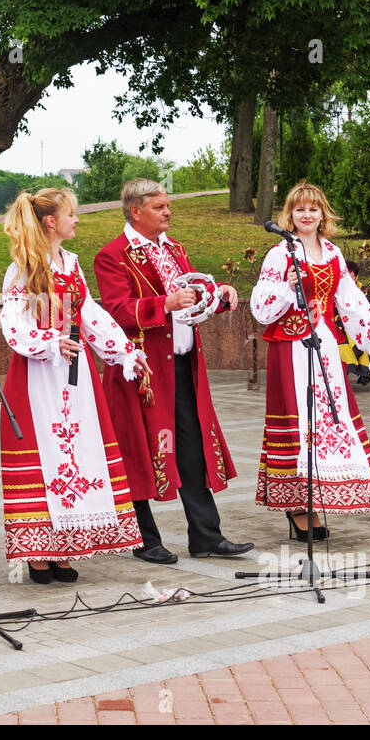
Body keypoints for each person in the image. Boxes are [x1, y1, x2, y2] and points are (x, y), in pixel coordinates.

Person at [93, 178, 253, 564]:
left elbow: (195, 297)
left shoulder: (174, 249)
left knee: (192, 449)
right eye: (160, 207)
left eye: (168, 206)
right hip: (140, 372)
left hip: (183, 366)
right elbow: (115, 311)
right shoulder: (113, 255)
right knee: (138, 451)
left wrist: (222, 295)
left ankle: (206, 537)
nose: (168, 212)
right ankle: (143, 538)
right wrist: (163, 303)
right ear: (136, 211)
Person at [0, 187, 148, 583]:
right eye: (71, 214)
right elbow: (13, 323)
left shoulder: (72, 263)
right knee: (46, 454)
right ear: (51, 222)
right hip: (38, 375)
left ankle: (65, 547)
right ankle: (37, 551)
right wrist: (48, 341)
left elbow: (89, 313)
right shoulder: (22, 268)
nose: (77, 219)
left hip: (75, 377)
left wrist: (124, 350)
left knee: (75, 456)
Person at [249, 182, 370, 540]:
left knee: (327, 421)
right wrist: (286, 287)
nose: (307, 215)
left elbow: (351, 303)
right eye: (300, 209)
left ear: (323, 214)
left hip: (323, 347)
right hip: (290, 350)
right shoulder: (280, 253)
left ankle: (315, 501)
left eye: (313, 209)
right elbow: (261, 309)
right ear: (290, 215)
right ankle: (297, 508)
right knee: (298, 424)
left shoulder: (331, 253)